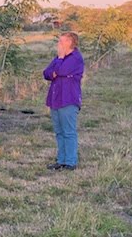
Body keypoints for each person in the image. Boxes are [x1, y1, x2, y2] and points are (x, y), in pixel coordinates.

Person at [43, 32, 84, 170]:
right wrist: (55, 69)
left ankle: (71, 162)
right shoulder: (59, 57)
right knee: (59, 131)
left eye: (61, 41)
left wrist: (59, 61)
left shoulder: (75, 58)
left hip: (68, 99)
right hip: (55, 99)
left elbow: (60, 71)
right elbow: (47, 73)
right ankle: (61, 160)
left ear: (69, 43)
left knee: (68, 131)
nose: (58, 44)